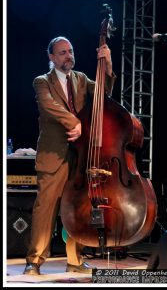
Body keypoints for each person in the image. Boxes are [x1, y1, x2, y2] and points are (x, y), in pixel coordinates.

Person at [23, 36, 116, 275]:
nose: (68, 56)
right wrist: (77, 123)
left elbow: (104, 94)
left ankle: (75, 260)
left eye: (70, 51)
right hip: (54, 155)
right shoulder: (42, 82)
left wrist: (108, 64)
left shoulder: (82, 79)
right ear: (51, 57)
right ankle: (34, 261)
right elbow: (49, 106)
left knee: (78, 208)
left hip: (81, 155)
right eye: (62, 52)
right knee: (46, 208)